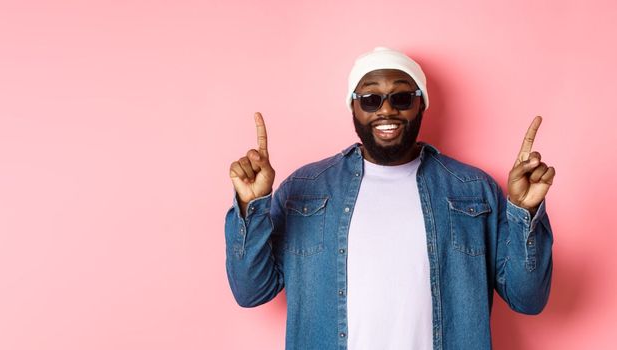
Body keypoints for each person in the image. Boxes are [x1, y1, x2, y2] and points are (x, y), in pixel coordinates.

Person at [224, 47, 555, 350]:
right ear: (353, 105)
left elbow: (528, 299)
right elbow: (251, 291)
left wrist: (524, 210)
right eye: (370, 99)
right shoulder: (305, 189)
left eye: (401, 98)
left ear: (421, 103)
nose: (386, 110)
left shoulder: (473, 189)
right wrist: (252, 207)